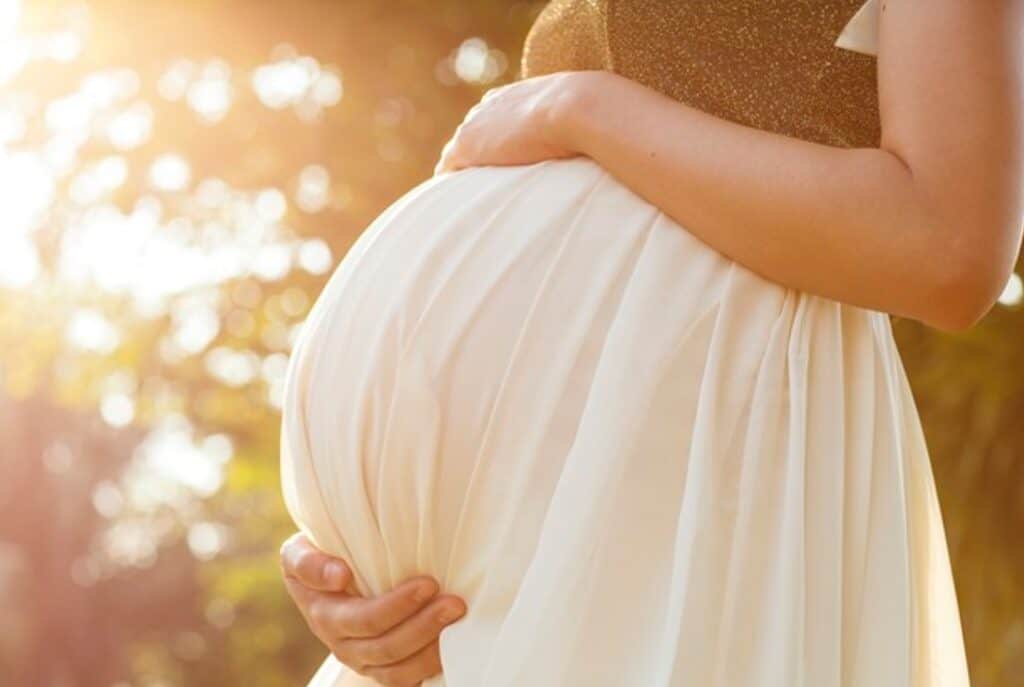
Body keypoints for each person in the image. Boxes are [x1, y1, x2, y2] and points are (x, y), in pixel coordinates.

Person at [279, 1, 1023, 685]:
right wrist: (345, 555)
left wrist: (578, 105)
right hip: (452, 592)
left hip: (693, 469)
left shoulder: (579, 107)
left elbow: (947, 242)